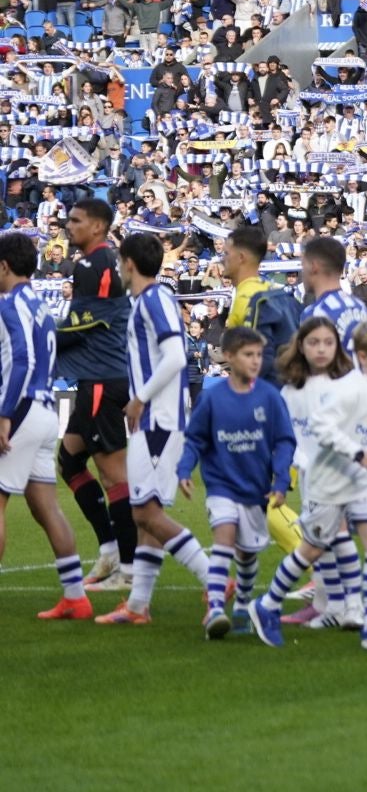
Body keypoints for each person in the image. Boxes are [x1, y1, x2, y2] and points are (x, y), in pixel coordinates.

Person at [247, 320, 367, 651]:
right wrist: (355, 452)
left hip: (359, 480)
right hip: (327, 482)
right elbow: (320, 428)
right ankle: (266, 605)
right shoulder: (334, 390)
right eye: (314, 342)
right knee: (313, 548)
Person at [94, 234, 212, 625]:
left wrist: (140, 397)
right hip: (156, 418)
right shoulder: (146, 301)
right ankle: (138, 605)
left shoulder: (154, 298)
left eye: (118, 262)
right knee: (147, 513)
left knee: (144, 512)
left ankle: (214, 578)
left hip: (158, 419)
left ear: (128, 263)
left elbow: (177, 355)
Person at [175, 326, 296, 640]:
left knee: (247, 554)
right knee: (224, 539)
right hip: (221, 486)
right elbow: (195, 439)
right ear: (229, 357)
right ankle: (215, 608)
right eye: (248, 354)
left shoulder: (269, 397)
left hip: (256, 488)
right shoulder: (212, 398)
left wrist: (281, 480)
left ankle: (242, 604)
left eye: (258, 354)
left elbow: (284, 441)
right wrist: (185, 468)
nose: (256, 361)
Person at [0, 232, 92, 622]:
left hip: (18, 411)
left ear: (3, 266)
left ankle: (75, 596)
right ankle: (75, 596)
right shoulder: (40, 303)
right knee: (45, 506)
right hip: (44, 409)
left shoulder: (8, 305)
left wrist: (4, 414)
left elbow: (19, 359)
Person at [56, 198, 137, 591]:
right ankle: (108, 549)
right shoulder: (94, 262)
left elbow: (88, 321)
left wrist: (42, 339)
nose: (68, 225)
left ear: (99, 227)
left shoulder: (99, 263)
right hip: (98, 376)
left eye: (76, 220)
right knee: (69, 459)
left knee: (113, 475)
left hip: (104, 377)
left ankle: (129, 567)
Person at [221, 225, 305, 558]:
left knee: (266, 499)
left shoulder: (247, 298)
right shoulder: (274, 292)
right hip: (289, 400)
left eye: (226, 253)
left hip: (269, 407)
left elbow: (254, 361)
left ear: (241, 257)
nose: (222, 259)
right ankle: (233, 583)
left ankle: (319, 567)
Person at [277, 317, 365, 631]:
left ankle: (353, 606)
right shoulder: (291, 392)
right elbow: (289, 435)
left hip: (339, 473)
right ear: (301, 346)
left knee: (338, 535)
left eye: (329, 342)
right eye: (314, 342)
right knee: (325, 540)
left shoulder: (346, 385)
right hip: (310, 476)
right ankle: (334, 606)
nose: (322, 349)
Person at [300, 235, 367, 351]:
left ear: (314, 266)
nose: (302, 272)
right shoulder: (362, 309)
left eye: (303, 265)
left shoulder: (315, 314)